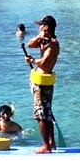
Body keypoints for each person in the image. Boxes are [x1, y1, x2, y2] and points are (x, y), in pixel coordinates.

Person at [24, 14, 59, 153]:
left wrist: (32, 61)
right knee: (47, 113)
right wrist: (39, 36)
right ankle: (51, 143)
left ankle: (46, 146)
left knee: (41, 115)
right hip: (41, 82)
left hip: (43, 85)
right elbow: (30, 44)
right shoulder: (45, 41)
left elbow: (44, 62)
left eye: (41, 25)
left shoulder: (53, 44)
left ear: (46, 27)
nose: (39, 27)